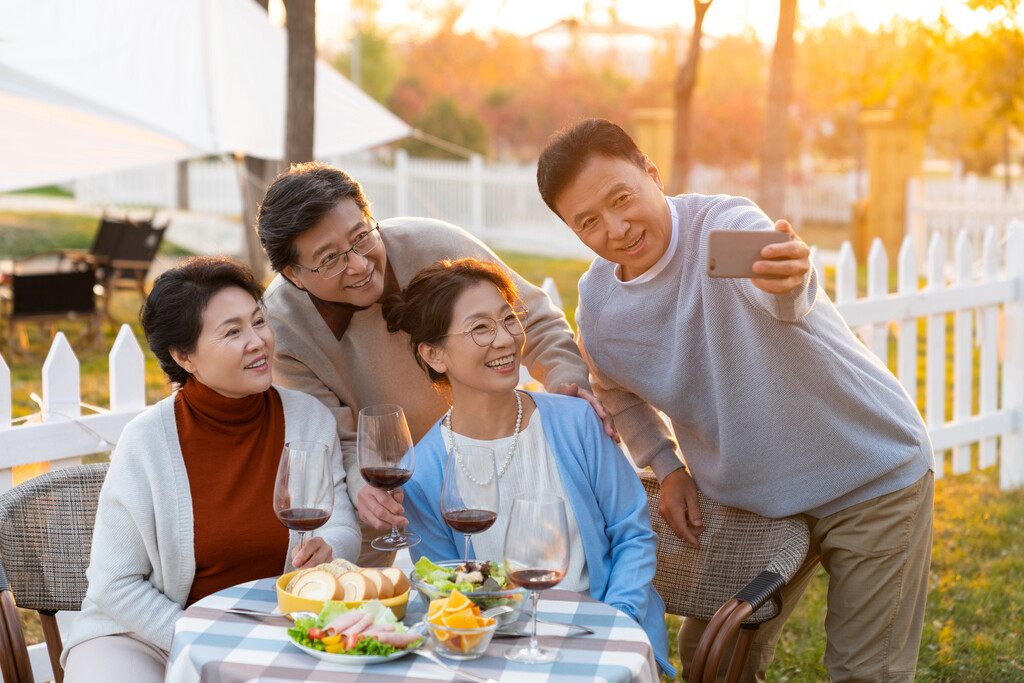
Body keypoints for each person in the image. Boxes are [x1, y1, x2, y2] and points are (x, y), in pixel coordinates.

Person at [536, 119, 935, 683]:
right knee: (713, 661)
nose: (617, 228)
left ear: (652, 172)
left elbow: (783, 291)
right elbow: (613, 390)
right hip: (754, 499)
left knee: (866, 673)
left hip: (868, 471)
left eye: (621, 199)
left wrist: (788, 279)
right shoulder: (600, 308)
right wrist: (668, 465)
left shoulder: (725, 226)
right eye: (589, 223)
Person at [256, 162, 610, 567]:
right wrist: (362, 487)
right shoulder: (282, 327)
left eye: (360, 237)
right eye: (330, 259)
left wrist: (569, 383)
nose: (358, 264)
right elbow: (336, 438)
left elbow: (534, 318)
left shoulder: (434, 245)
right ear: (293, 273)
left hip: (479, 461)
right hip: (386, 502)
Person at [62, 257, 360, 683]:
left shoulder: (309, 419)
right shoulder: (146, 441)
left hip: (279, 630)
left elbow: (343, 527)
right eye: (233, 331)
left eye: (259, 321)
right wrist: (198, 639)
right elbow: (115, 584)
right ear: (185, 356)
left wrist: (331, 550)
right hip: (144, 635)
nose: (257, 341)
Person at [380, 257, 673, 674]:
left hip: (600, 639)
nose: (504, 340)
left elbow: (633, 534)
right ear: (434, 354)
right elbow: (447, 592)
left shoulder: (578, 422)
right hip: (493, 653)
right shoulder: (423, 472)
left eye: (509, 319)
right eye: (480, 328)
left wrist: (616, 619)